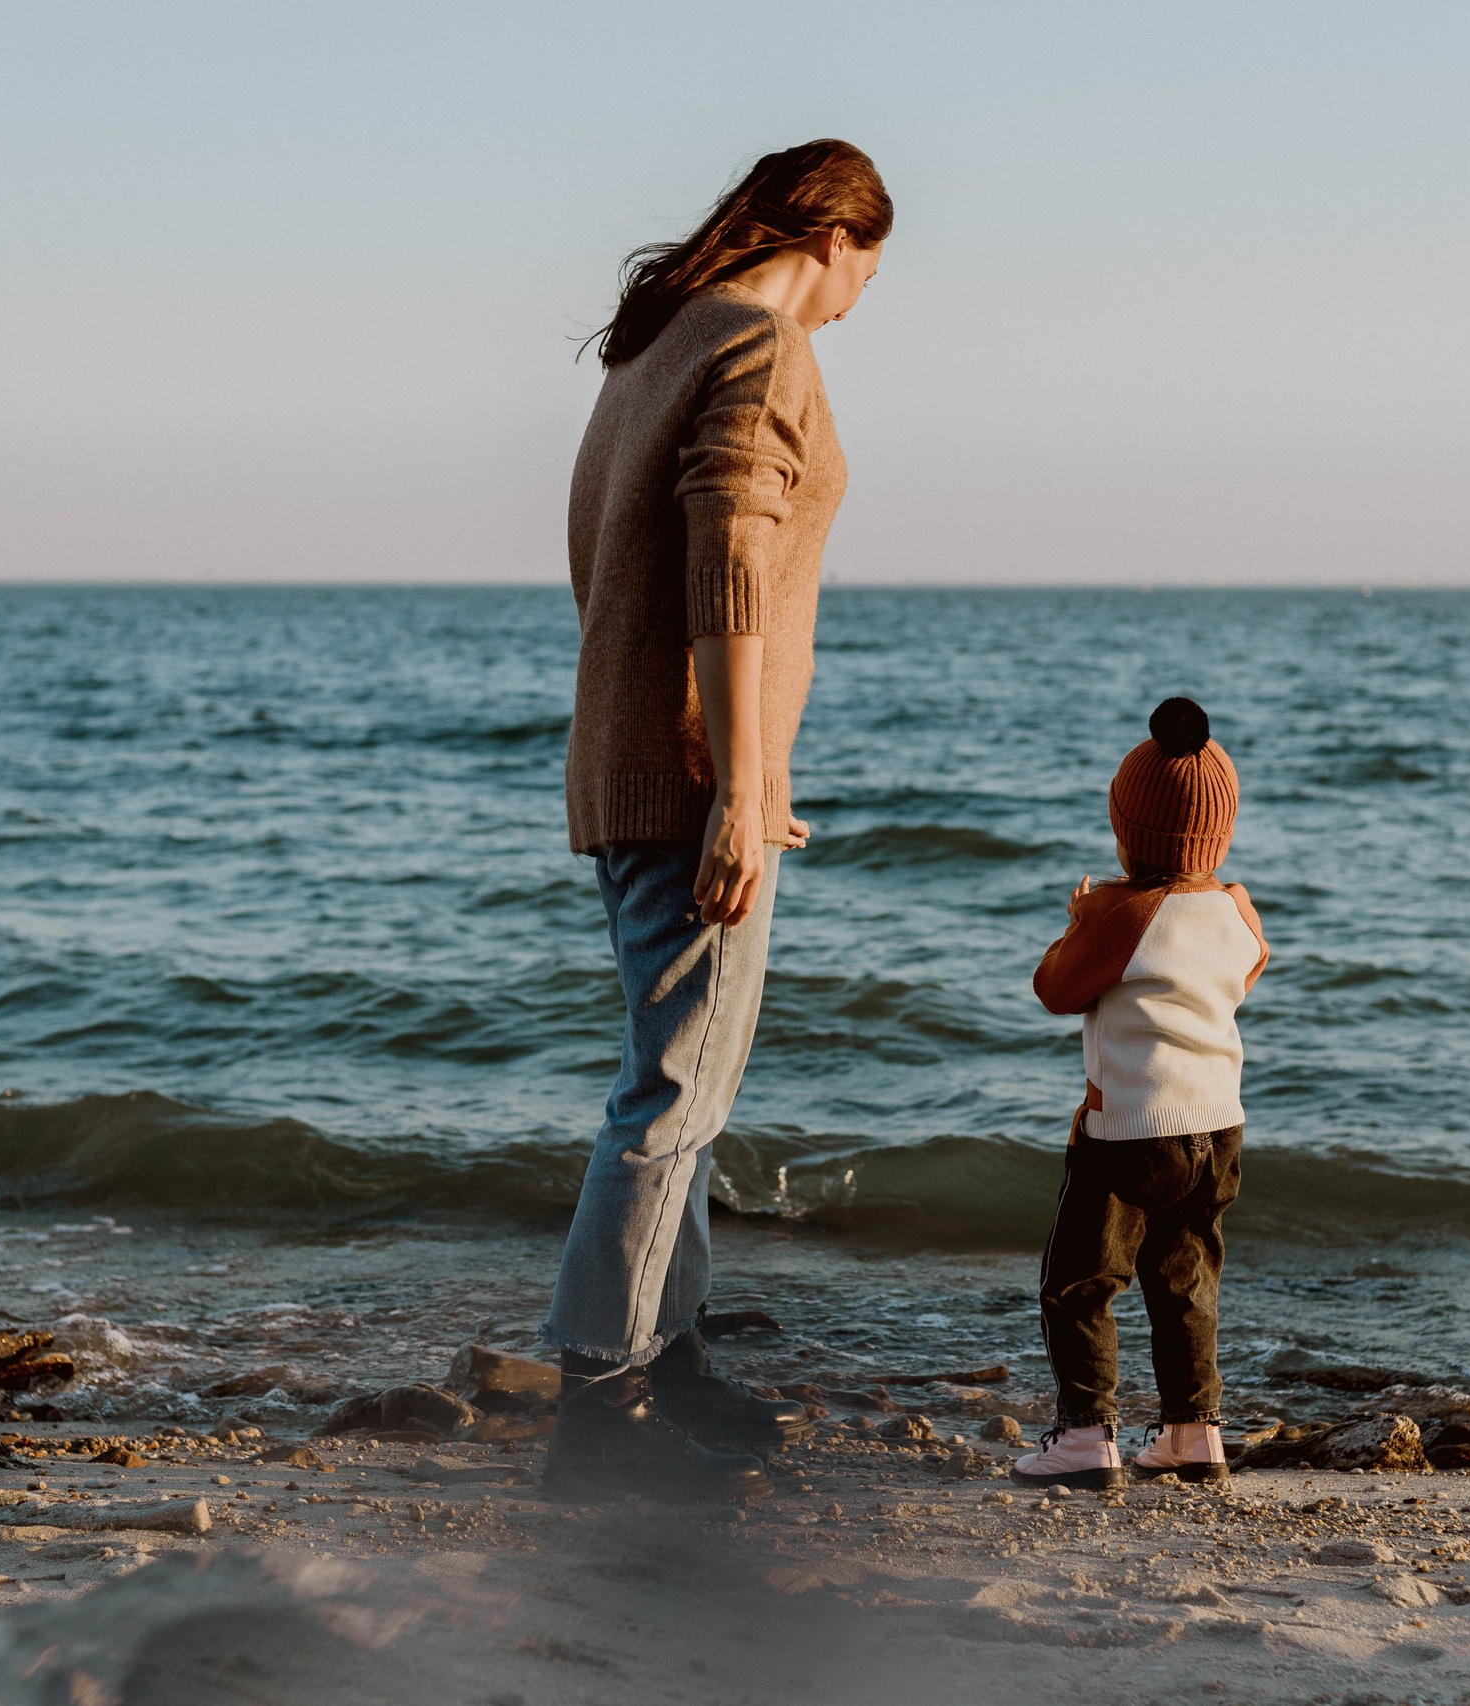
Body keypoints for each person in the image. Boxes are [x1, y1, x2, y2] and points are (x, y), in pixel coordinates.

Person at [540, 140, 892, 1502]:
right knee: (674, 1091)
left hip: (631, 768)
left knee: (680, 1083)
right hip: (690, 783)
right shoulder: (758, 344)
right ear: (836, 238)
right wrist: (741, 786)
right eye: (870, 271)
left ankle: (668, 1355)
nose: (861, 300)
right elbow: (729, 566)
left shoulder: (656, 345)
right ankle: (599, 1391)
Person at [1012, 697, 1269, 1490]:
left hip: (1129, 1129)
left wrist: (1078, 921)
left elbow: (1055, 988)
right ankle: (1194, 1433)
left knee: (1080, 1282)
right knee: (1185, 1278)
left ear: (1127, 831)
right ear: (1220, 834)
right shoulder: (1236, 908)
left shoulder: (1123, 912)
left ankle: (1086, 1437)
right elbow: (1249, 968)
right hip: (1217, 1127)